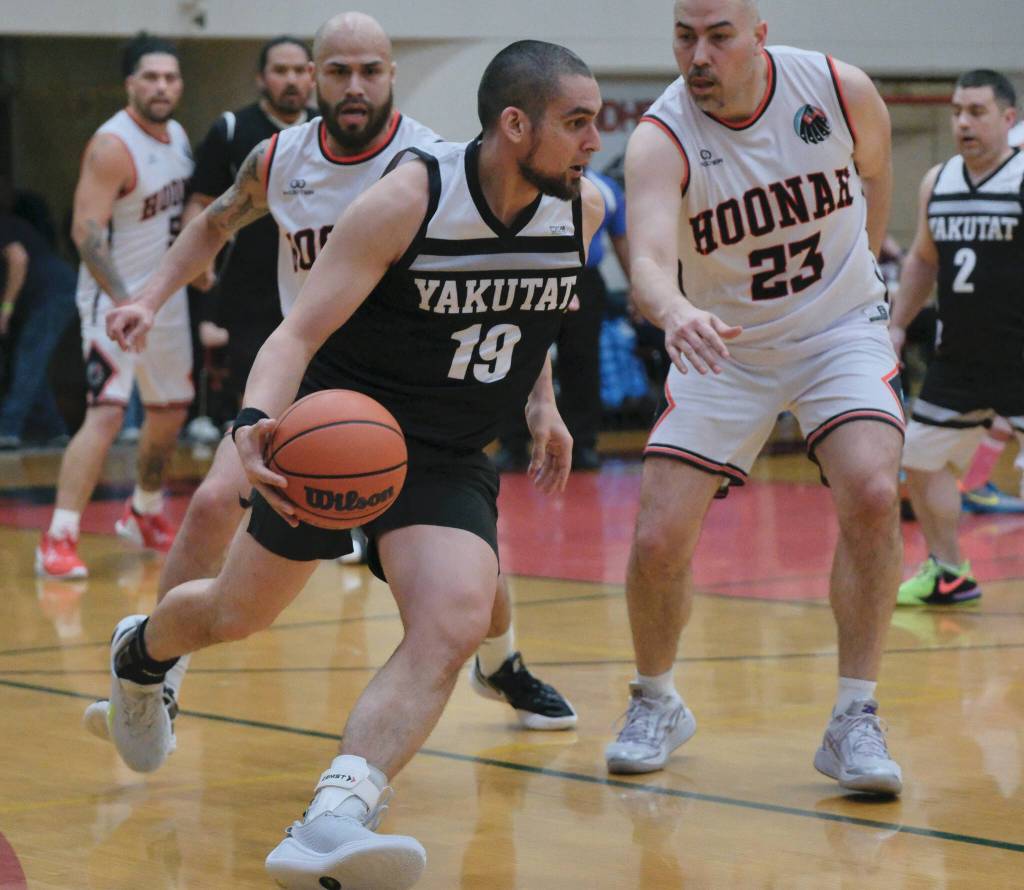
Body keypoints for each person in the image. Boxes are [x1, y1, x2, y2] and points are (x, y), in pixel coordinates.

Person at [102, 37, 602, 888]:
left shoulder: (581, 207)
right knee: (235, 613)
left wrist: (541, 399)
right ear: (515, 125)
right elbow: (296, 332)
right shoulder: (409, 195)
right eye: (578, 123)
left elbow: (537, 305)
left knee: (452, 622)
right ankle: (141, 655)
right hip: (347, 429)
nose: (595, 141)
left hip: (447, 452)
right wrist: (258, 422)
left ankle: (335, 815)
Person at [604, 0, 905, 796]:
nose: (697, 55)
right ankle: (656, 699)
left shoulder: (837, 89)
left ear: (759, 35)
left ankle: (855, 717)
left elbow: (876, 173)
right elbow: (646, 262)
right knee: (658, 538)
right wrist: (673, 310)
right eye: (683, 36)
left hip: (837, 331)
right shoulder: (660, 137)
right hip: (720, 343)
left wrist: (864, 274)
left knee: (874, 489)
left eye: (718, 36)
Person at [34, 34, 193, 579]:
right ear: (130, 83)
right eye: (150, 77)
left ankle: (144, 510)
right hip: (115, 297)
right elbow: (85, 231)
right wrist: (127, 300)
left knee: (170, 412)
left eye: (170, 77)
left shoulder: (178, 137)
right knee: (105, 412)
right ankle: (58, 534)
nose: (162, 86)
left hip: (164, 301)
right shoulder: (112, 145)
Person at [890, 69, 1024, 606]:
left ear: (1008, 120)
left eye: (977, 112)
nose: (963, 122)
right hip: (960, 356)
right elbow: (924, 259)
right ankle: (948, 572)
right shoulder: (938, 181)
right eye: (956, 111)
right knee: (920, 461)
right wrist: (898, 324)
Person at [186, 36, 315, 419]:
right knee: (257, 402)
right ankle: (252, 476)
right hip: (248, 290)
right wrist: (198, 257)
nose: (290, 80)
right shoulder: (232, 129)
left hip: (314, 284)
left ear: (311, 76)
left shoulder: (331, 130)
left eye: (298, 71)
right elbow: (200, 200)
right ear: (261, 78)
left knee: (312, 400)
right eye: (280, 71)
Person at [493, 164, 629, 472]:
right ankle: (511, 444)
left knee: (582, 362)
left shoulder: (604, 188)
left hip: (584, 279)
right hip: (527, 274)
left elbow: (621, 238)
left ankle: (583, 445)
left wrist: (636, 286)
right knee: (515, 357)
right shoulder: (527, 183)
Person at [0, 211, 77, 448]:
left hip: (53, 293)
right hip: (53, 292)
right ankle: (55, 429)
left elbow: (18, 259)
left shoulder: (4, 224)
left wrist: (7, 307)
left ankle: (7, 429)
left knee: (29, 356)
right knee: (32, 361)